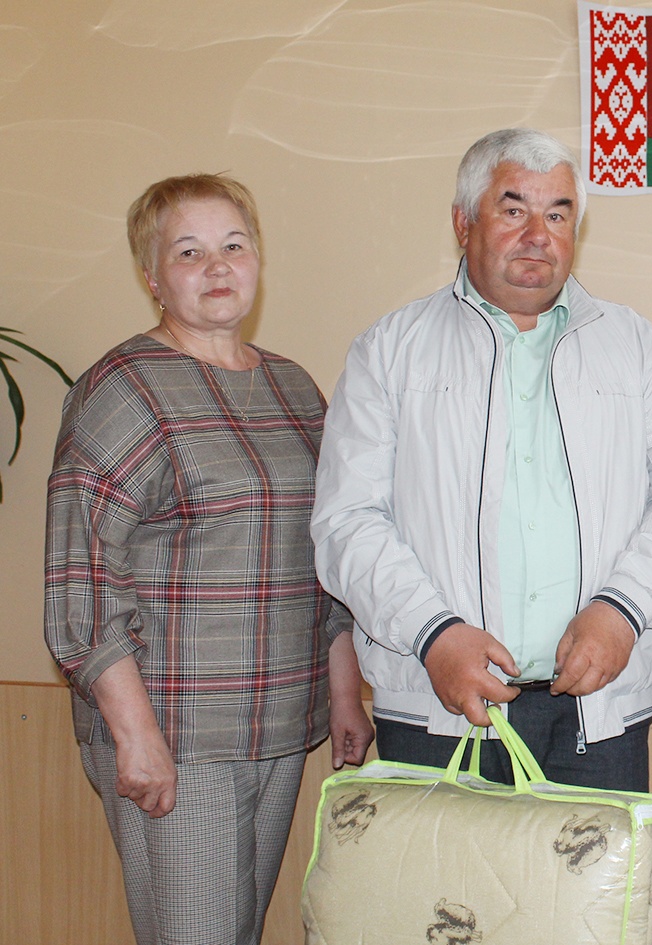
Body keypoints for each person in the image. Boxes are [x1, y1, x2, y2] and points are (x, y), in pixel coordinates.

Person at [310, 128, 652, 793]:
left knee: (594, 872)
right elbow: (347, 521)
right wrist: (434, 635)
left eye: (557, 214)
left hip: (596, 713)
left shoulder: (635, 347)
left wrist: (622, 610)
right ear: (463, 222)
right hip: (438, 705)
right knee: (438, 871)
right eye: (514, 208)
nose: (537, 235)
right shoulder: (389, 350)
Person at [44, 173, 374, 945]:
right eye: (189, 251)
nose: (217, 266)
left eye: (233, 245)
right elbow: (81, 579)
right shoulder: (124, 389)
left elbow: (325, 553)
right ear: (152, 276)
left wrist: (344, 694)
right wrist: (136, 736)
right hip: (176, 733)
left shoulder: (293, 388)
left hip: (279, 724)